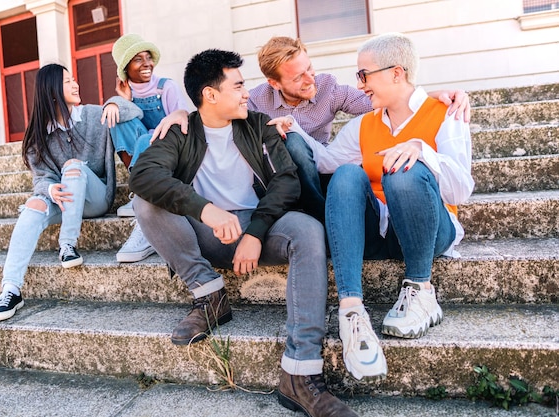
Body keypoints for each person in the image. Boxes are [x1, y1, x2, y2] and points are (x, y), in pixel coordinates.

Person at [129, 49, 359, 417]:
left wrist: (255, 231)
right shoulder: (181, 131)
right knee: (146, 202)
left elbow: (285, 182)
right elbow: (142, 176)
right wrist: (206, 209)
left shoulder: (257, 124)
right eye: (237, 86)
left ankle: (300, 374)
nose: (246, 93)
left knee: (307, 229)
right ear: (210, 94)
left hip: (256, 228)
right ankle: (209, 296)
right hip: (205, 234)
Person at [284, 32, 474, 382]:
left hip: (430, 231)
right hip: (381, 233)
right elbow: (324, 161)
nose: (361, 86)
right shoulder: (363, 124)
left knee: (403, 170)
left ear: (396, 73)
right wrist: (293, 128)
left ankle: (420, 290)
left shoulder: (445, 113)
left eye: (364, 75)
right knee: (344, 175)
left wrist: (421, 150)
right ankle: (352, 311)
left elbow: (461, 189)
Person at [153, 36, 470, 224]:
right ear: (275, 83)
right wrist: (182, 111)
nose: (310, 79)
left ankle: (321, 220)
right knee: (281, 143)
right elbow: (215, 110)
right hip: (276, 176)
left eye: (310, 69)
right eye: (299, 77)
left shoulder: (329, 88)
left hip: (318, 173)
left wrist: (432, 95)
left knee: (295, 143)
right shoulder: (258, 99)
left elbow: (381, 98)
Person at [0, 63, 142, 322]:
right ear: (51, 92)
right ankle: (11, 289)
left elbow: (134, 111)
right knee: (33, 206)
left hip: (95, 199)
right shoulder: (38, 135)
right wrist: (50, 189)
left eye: (74, 80)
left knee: (73, 167)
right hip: (64, 200)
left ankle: (67, 243)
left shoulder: (94, 115)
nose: (76, 84)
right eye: (68, 81)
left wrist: (115, 103)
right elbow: (40, 179)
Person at [108, 34, 190, 263]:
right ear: (125, 68)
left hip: (171, 151)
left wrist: (155, 133)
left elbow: (182, 119)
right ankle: (140, 190)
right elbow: (124, 124)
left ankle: (140, 195)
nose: (147, 64)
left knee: (146, 139)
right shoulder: (128, 93)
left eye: (148, 57)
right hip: (146, 156)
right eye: (138, 59)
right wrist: (121, 100)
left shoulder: (166, 87)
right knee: (119, 119)